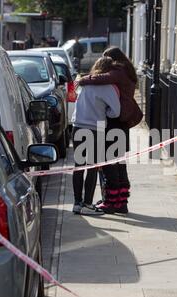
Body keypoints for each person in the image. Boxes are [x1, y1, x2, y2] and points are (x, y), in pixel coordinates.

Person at [78, 47, 143, 214]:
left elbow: (103, 78)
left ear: (112, 59)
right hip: (123, 122)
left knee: (109, 164)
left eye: (106, 58)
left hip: (115, 122)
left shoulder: (118, 70)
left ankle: (112, 202)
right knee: (120, 165)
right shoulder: (126, 70)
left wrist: (84, 79)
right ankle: (121, 202)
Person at [71, 57, 121, 215]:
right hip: (95, 128)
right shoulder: (108, 87)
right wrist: (105, 112)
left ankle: (76, 203)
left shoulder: (85, 84)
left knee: (78, 167)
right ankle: (87, 203)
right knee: (92, 168)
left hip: (78, 126)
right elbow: (116, 111)